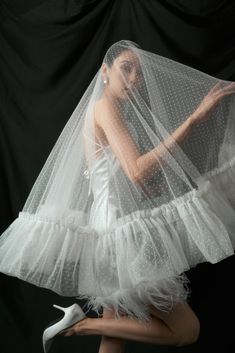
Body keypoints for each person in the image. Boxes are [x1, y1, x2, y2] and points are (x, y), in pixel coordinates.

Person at [0, 40, 235, 353]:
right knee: (186, 330)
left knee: (114, 338)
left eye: (138, 72)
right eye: (126, 68)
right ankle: (80, 324)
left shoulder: (105, 110)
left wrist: (144, 186)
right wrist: (194, 119)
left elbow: (116, 176)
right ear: (105, 71)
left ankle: (82, 323)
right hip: (119, 234)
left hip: (111, 232)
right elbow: (136, 170)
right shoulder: (106, 106)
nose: (134, 77)